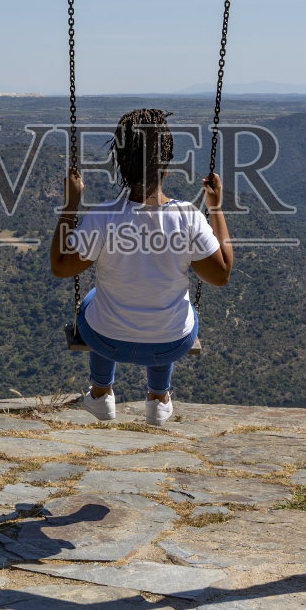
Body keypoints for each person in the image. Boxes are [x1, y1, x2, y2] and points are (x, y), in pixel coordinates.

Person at [49, 108, 233, 427]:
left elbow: (61, 267)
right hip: (171, 343)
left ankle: (101, 393)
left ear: (120, 163)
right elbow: (221, 274)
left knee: (92, 300)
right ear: (166, 166)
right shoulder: (188, 216)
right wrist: (215, 209)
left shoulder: (102, 216)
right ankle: (158, 399)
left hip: (107, 339)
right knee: (177, 305)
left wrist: (70, 205)